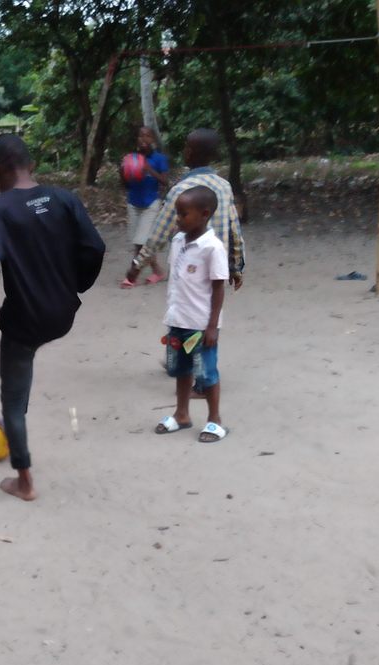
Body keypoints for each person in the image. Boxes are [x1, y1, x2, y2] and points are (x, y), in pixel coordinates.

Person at [0, 135, 106, 501]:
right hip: (63, 313)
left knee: (13, 392)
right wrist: (73, 285)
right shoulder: (64, 199)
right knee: (22, 366)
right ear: (32, 165)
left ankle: (24, 481)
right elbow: (95, 246)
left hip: (26, 320)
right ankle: (10, 424)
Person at [153, 186, 228, 443]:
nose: (178, 219)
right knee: (181, 369)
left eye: (183, 214)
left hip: (200, 325)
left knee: (206, 373)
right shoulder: (177, 241)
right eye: (177, 213)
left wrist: (212, 326)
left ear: (204, 214)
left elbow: (218, 288)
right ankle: (181, 414)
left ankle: (215, 420)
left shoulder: (212, 248)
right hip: (178, 320)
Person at [127, 128, 245, 290]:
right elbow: (234, 230)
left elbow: (158, 234)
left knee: (185, 303)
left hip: (187, 268)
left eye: (186, 147)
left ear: (189, 152)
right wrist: (237, 267)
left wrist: (136, 267)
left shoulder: (180, 190)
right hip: (215, 269)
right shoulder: (224, 186)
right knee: (212, 303)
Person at [120, 126, 169, 288]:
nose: (143, 139)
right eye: (141, 136)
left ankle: (132, 275)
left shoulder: (159, 158)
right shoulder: (131, 158)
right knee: (138, 241)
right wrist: (123, 171)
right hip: (133, 203)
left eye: (147, 136)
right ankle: (158, 272)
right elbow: (126, 185)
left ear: (153, 139)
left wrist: (149, 169)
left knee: (141, 243)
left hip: (151, 204)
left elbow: (165, 182)